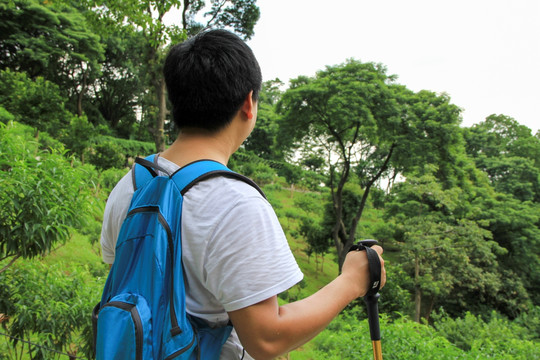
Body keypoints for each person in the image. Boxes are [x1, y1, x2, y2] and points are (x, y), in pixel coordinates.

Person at [100, 29, 386, 360]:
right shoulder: (237, 203)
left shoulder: (131, 185)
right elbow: (267, 339)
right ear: (248, 104)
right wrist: (353, 280)